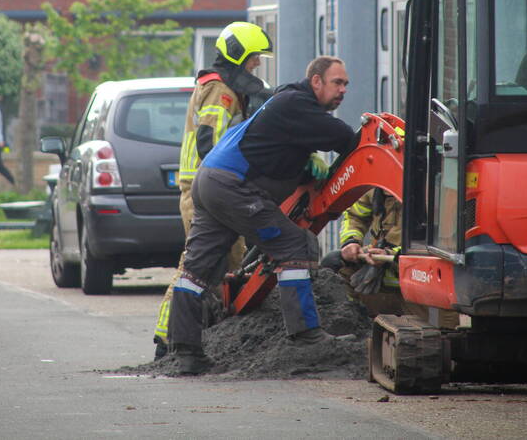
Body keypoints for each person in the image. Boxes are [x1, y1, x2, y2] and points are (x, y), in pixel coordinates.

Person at [169, 55, 358, 375]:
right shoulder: (298, 104)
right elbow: (345, 138)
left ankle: (185, 351)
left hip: (210, 180)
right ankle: (306, 335)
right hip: (231, 185)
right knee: (296, 246)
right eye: (337, 83)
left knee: (197, 269)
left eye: (346, 84)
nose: (343, 90)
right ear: (316, 81)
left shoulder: (284, 99)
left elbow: (275, 150)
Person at [151, 22, 273, 360]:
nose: (257, 66)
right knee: (195, 266)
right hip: (205, 192)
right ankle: (168, 338)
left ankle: (208, 334)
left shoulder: (228, 90)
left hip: (212, 191)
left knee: (228, 264)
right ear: (238, 56)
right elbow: (211, 144)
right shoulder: (220, 91)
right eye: (254, 59)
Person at [322, 187, 460, 328]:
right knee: (336, 264)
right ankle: (356, 326)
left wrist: (391, 255)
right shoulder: (375, 187)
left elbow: (445, 244)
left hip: (420, 279)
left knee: (439, 335)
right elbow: (354, 216)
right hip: (381, 272)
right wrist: (351, 241)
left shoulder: (437, 190)